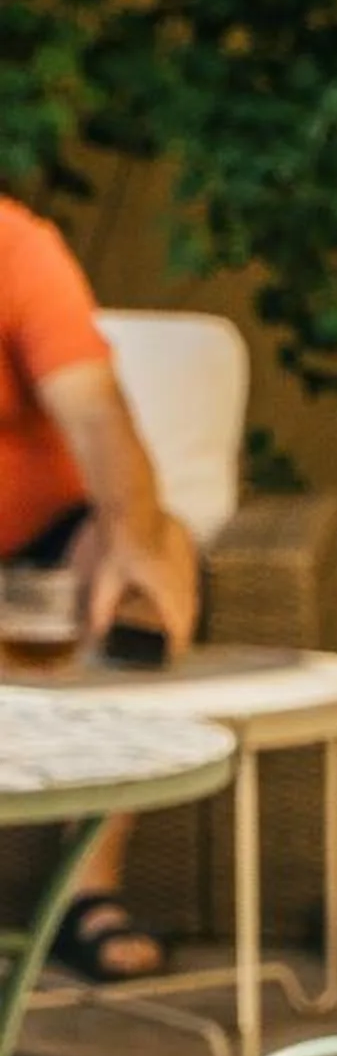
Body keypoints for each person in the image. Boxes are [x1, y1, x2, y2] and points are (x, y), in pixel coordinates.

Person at [0, 195, 199, 978]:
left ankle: (90, 890)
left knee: (154, 552)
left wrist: (135, 543)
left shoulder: (15, 244)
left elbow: (95, 411)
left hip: (46, 541)